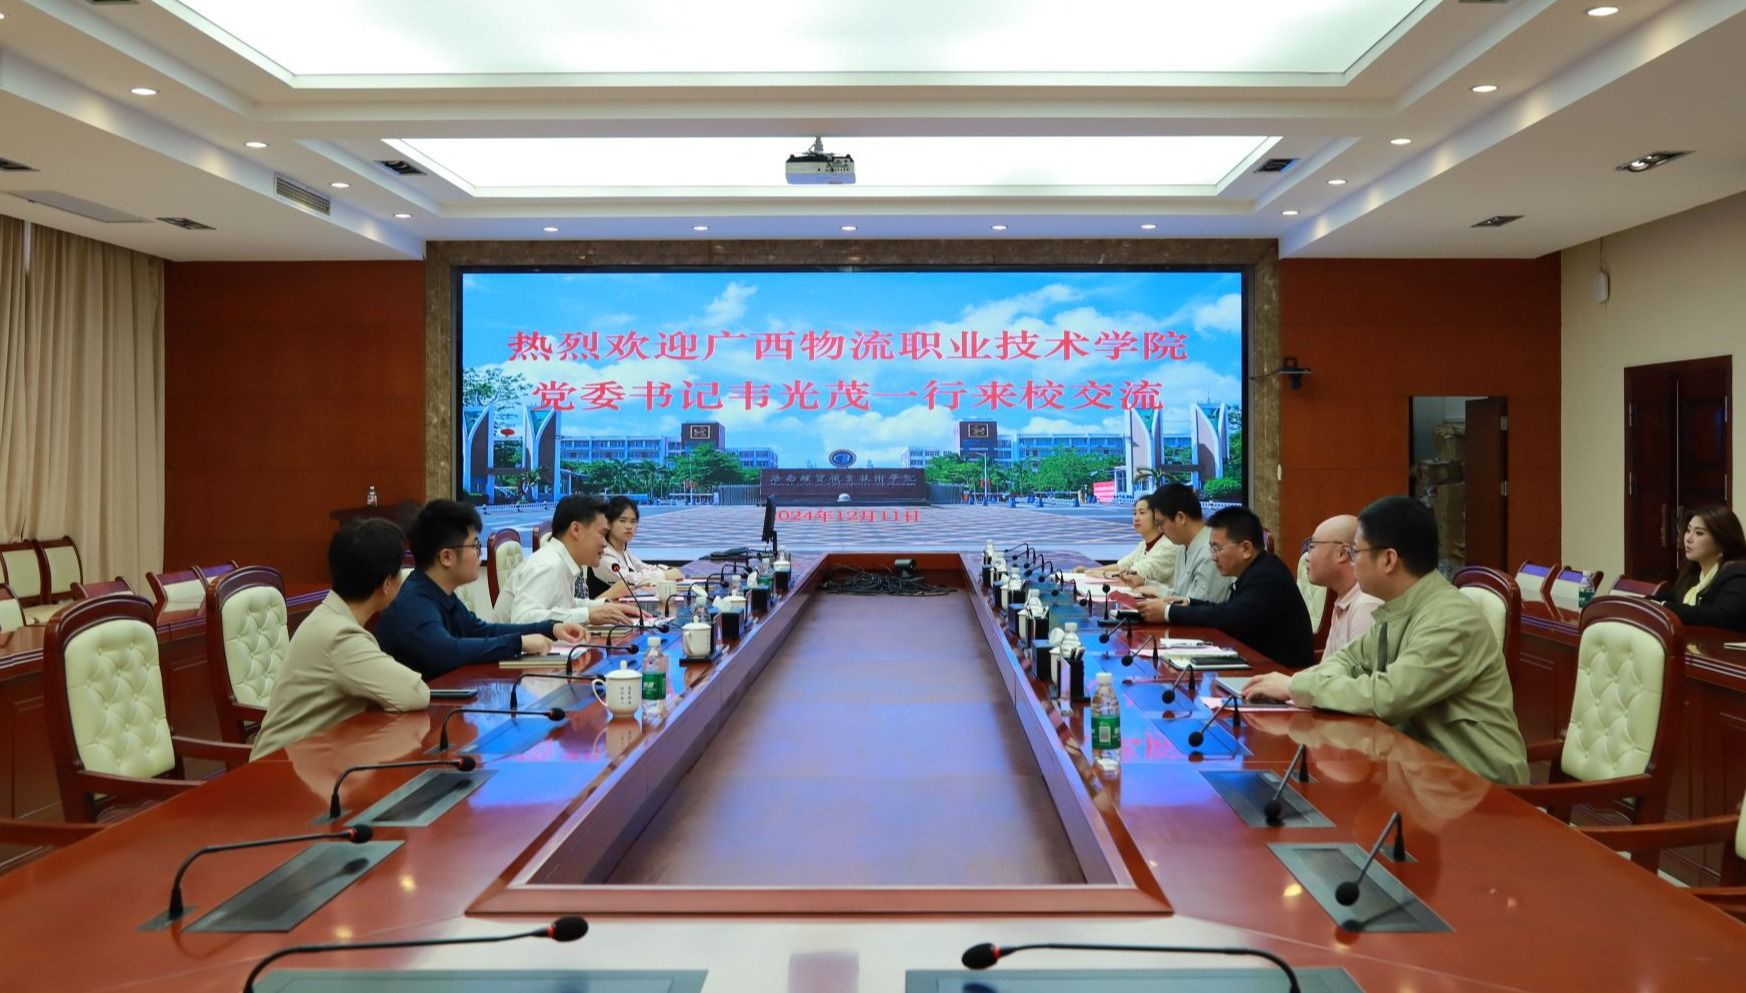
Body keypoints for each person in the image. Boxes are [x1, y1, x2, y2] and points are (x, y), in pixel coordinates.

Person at [1243, 496, 1529, 785]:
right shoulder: (1399, 606)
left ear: (1389, 559)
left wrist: (1295, 687)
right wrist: (1297, 686)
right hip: (1418, 771)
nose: (1352, 560)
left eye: (1356, 551)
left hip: (1476, 786)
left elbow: (1388, 697)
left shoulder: (1449, 619)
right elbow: (1349, 659)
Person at [250, 519, 429, 759]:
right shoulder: (339, 636)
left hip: (312, 757)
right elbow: (415, 693)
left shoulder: (329, 617)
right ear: (387, 584)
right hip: (279, 767)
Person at [376, 499, 587, 680]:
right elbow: (447, 651)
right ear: (446, 557)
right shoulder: (415, 602)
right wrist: (520, 642)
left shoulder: (439, 593)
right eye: (475, 546)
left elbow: (481, 630)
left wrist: (550, 628)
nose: (479, 553)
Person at [1142, 506, 1314, 668]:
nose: (1213, 557)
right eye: (1211, 548)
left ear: (1246, 549)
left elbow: (1230, 618)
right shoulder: (1255, 569)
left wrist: (1168, 612)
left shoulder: (1268, 576)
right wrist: (1188, 602)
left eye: (1217, 548)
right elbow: (1230, 609)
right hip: (1258, 665)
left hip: (1282, 674)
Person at [497, 495, 642, 627]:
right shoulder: (548, 565)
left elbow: (565, 605)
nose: (605, 543)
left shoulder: (562, 561)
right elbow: (522, 620)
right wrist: (588, 616)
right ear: (576, 530)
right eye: (602, 534)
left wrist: (605, 606)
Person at [1652, 505, 1746, 633]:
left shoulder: (1738, 573)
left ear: (1722, 541)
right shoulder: (1694, 574)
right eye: (1688, 530)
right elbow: (1669, 597)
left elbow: (1722, 616)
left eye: (1699, 533)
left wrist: (1663, 606)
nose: (1688, 538)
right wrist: (1648, 602)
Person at [1137, 483, 1235, 604]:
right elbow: (1180, 595)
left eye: (1161, 523)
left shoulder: (1210, 552)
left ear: (1180, 517)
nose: (1160, 529)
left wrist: (1163, 609)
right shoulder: (1183, 546)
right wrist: (1146, 583)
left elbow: (1197, 608)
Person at [1304, 514, 1383, 656]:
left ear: (1342, 553)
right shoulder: (1344, 599)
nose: (1306, 557)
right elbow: (1327, 667)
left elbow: (1359, 670)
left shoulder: (1367, 605)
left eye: (1312, 546)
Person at [1075, 493, 1179, 590]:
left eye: (1142, 513)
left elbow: (1133, 575)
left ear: (1157, 516)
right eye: (1135, 513)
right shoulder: (1143, 545)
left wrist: (1098, 573)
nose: (1136, 518)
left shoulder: (1169, 547)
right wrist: (1088, 570)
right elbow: (1121, 566)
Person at [587, 495, 683, 597]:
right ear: (609, 523)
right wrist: (665, 575)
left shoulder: (623, 551)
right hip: (604, 607)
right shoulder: (602, 553)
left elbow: (643, 567)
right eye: (622, 521)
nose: (629, 526)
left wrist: (667, 569)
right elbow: (630, 580)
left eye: (633, 521)